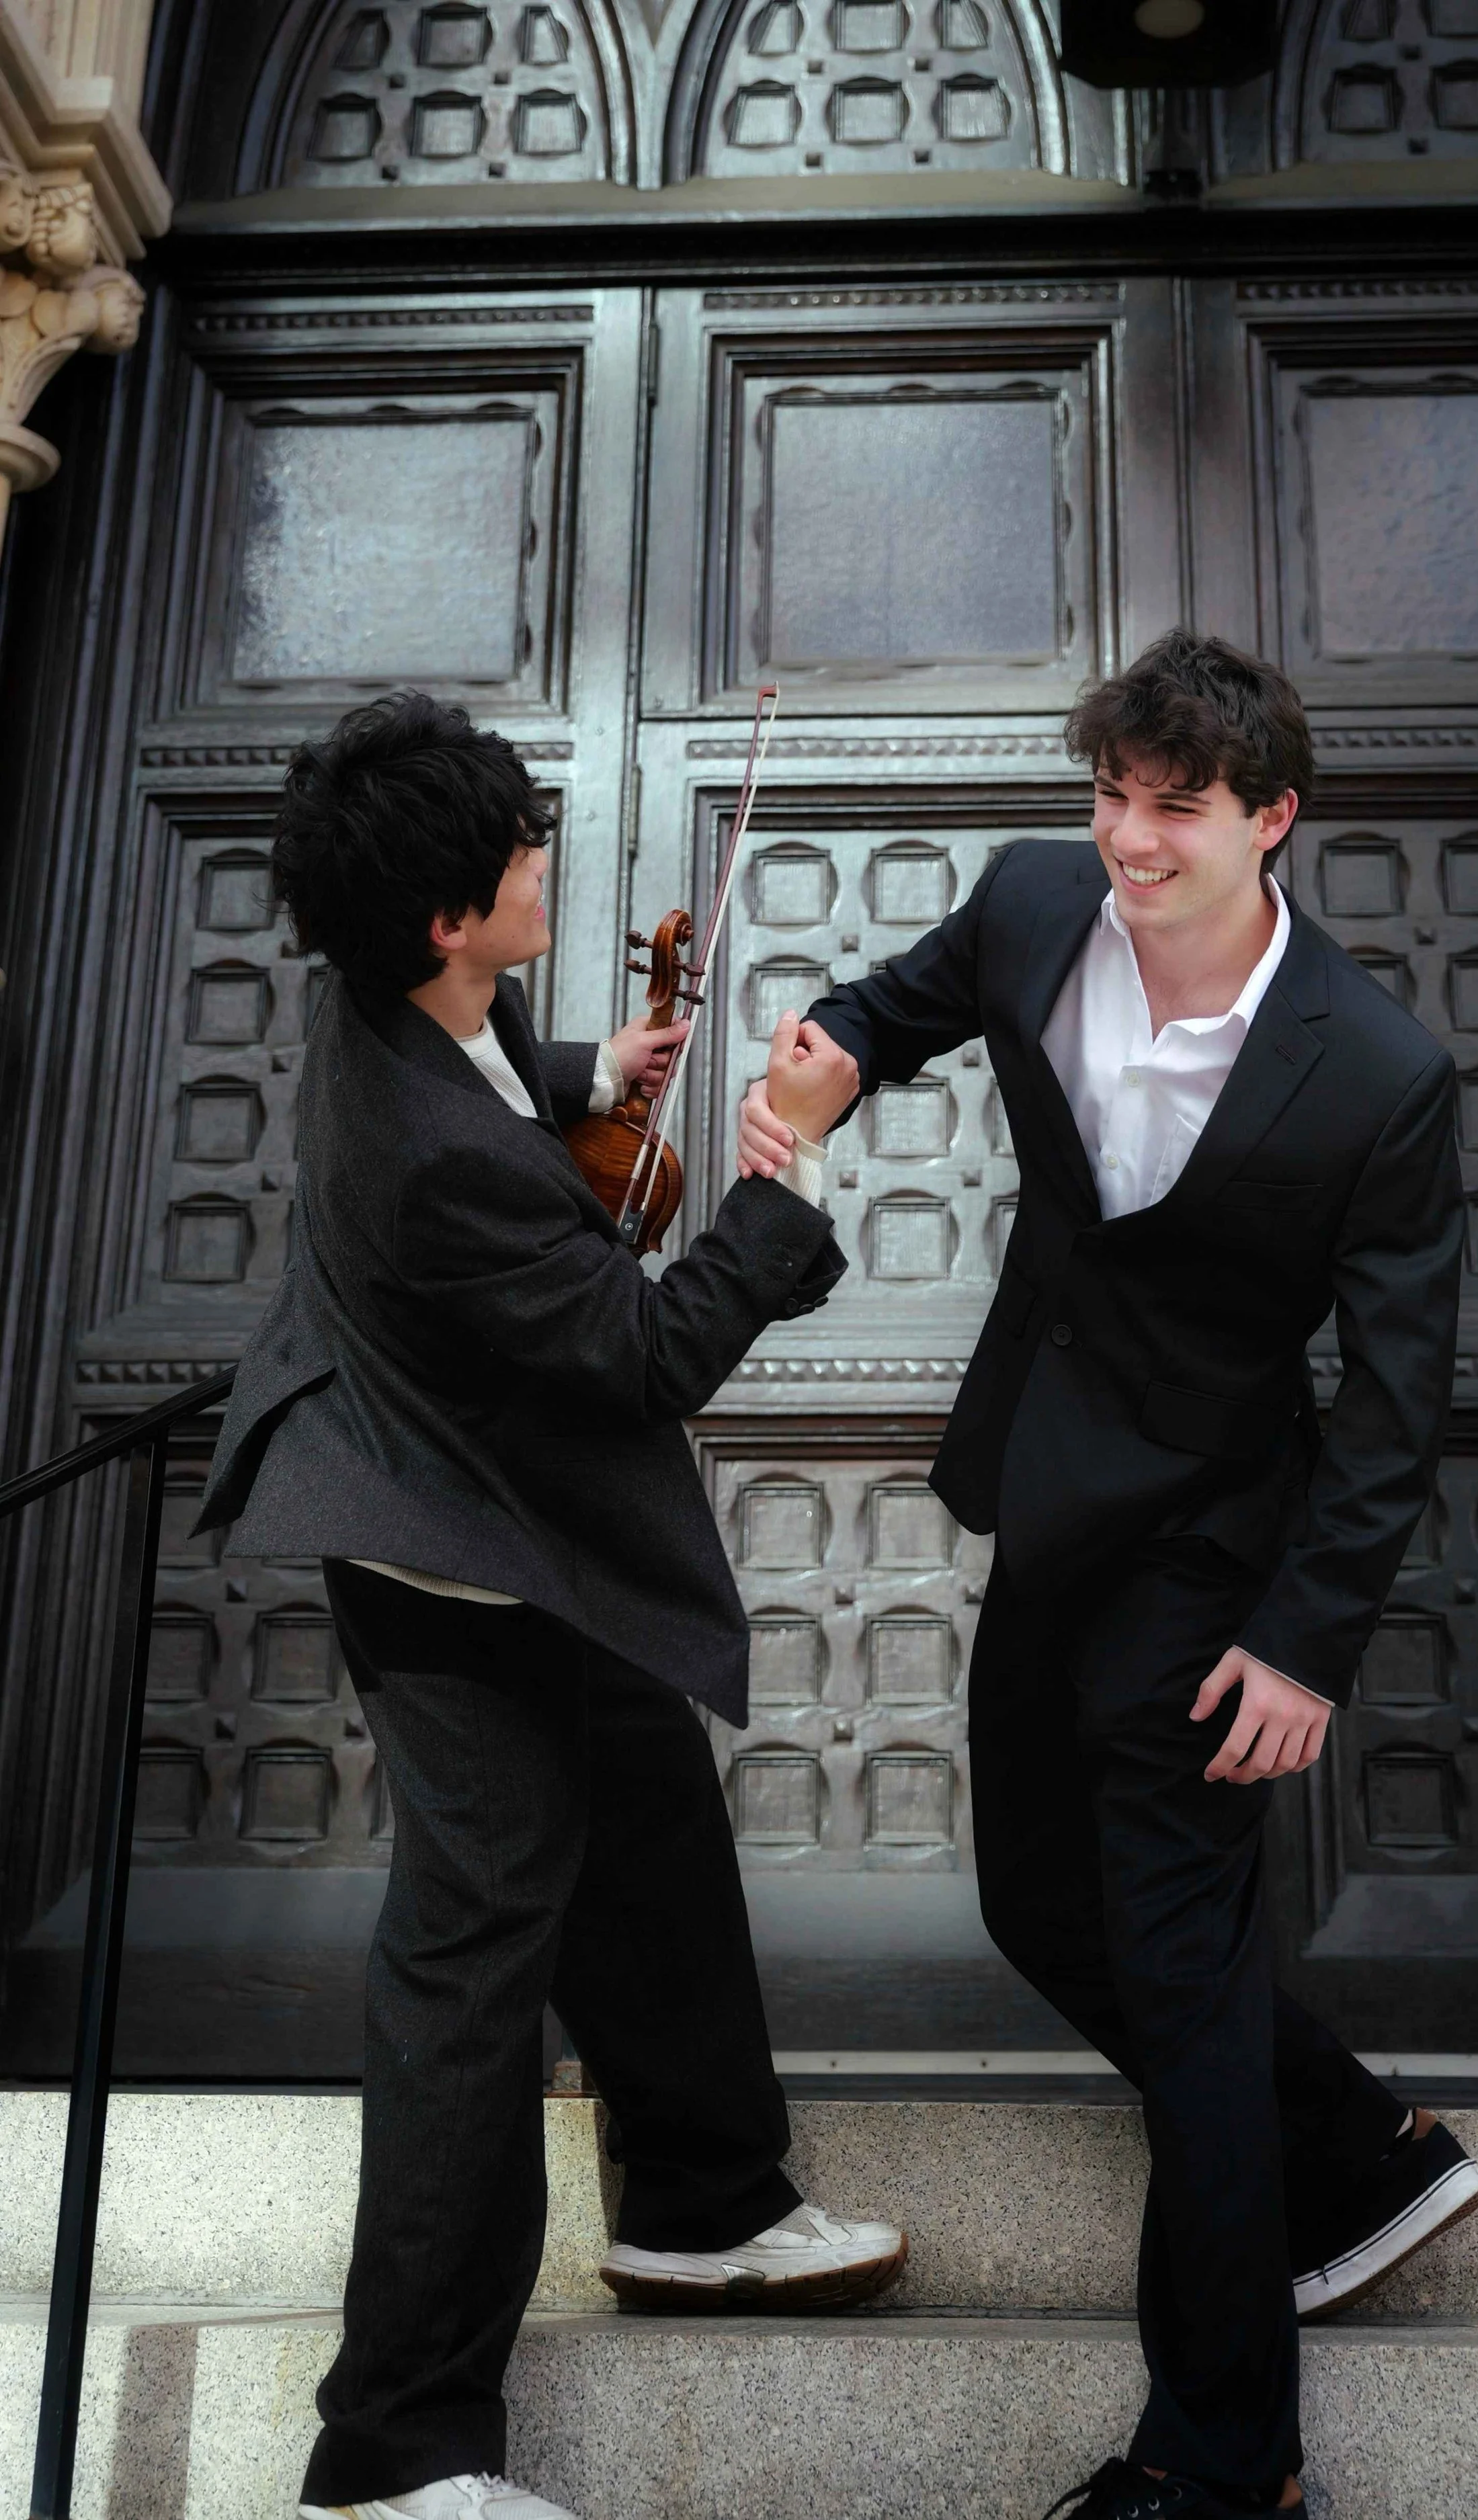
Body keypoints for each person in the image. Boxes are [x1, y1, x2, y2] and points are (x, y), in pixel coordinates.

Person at [737, 630, 1478, 2520]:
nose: (1130, 839)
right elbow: (882, 1006)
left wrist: (1304, 1640)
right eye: (1111, 797)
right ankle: (1355, 2146)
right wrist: (814, 1071)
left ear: (1269, 821)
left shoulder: (1379, 1071)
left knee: (1167, 1950)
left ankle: (1224, 2464)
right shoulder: (1033, 900)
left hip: (1216, 1545)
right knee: (1031, 1904)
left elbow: (1395, 1397)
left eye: (1176, 808)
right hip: (1051, 1487)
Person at [196, 691, 903, 2520]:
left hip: (471, 1495)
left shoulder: (401, 988)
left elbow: (512, 1063)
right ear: (444, 912)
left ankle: (698, 2207)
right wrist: (784, 1161)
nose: (545, 861)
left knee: (650, 1822)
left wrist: (598, 1074)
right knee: (470, 1959)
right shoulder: (431, 1161)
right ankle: (395, 2449)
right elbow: (645, 1350)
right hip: (445, 1542)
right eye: (518, 854)